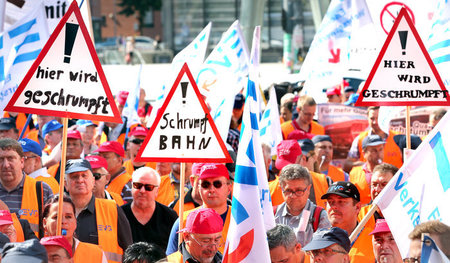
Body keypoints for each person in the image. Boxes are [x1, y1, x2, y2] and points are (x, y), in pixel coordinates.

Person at [64, 159, 132, 262]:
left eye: (84, 175)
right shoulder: (57, 210)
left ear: (92, 181)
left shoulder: (112, 209)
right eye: (74, 176)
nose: (80, 180)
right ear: (65, 184)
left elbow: (129, 249)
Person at [166, 163, 232, 255]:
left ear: (229, 188)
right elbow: (172, 258)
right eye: (205, 184)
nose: (211, 189)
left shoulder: (241, 219)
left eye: (217, 184)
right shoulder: (184, 220)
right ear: (198, 187)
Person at [0, 138, 53, 237]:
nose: (6, 165)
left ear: (22, 162)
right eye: (1, 159)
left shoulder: (42, 190)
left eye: (11, 158)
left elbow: (52, 230)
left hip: (34, 251)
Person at [121, 167, 177, 251]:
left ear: (157, 191)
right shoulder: (120, 215)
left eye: (148, 187)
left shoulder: (169, 216)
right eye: (138, 185)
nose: (142, 190)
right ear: (132, 187)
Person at [274, 164, 331, 247]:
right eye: (288, 191)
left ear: (308, 189)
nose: (293, 196)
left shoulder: (320, 216)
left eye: (299, 191)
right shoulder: (272, 214)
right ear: (281, 189)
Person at [43, 194, 107, 263]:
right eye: (56, 217)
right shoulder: (36, 252)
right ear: (45, 223)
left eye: (68, 217)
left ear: (75, 221)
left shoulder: (96, 254)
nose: (63, 222)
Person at [321, 181, 375, 262]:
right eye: (330, 202)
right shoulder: (318, 240)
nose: (334, 207)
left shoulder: (375, 240)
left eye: (341, 202)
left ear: (357, 207)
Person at [269, 140, 330, 209]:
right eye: (283, 165)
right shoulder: (269, 189)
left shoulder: (325, 181)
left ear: (303, 159)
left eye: (291, 166)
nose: (287, 170)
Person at [358, 163, 398, 230]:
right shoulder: (360, 216)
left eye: (384, 185)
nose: (377, 189)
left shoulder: (407, 216)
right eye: (374, 184)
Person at [349, 135, 385, 205]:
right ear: (364, 153)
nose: (378, 154)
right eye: (374, 151)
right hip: (363, 214)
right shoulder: (354, 173)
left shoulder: (391, 171)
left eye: (380, 149)